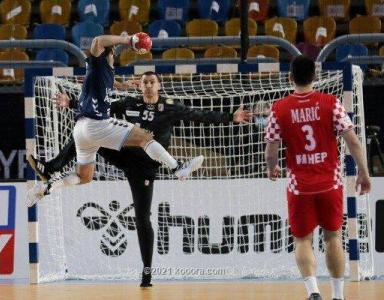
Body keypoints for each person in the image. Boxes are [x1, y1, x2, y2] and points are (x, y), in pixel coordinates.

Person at [28, 70, 252, 287]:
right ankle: (51, 167)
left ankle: (147, 271)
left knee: (142, 217)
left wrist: (231, 117)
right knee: (87, 130)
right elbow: (101, 109)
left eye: (151, 82)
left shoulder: (170, 107)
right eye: (144, 82)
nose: (147, 86)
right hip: (123, 154)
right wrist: (72, 103)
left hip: (145, 167)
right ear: (140, 85)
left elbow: (199, 116)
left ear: (158, 86)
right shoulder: (129, 103)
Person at [28, 33, 205, 206]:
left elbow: (105, 86)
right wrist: (129, 40)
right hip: (97, 124)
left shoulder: (105, 74)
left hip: (81, 130)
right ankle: (178, 168)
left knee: (84, 177)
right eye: (113, 53)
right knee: (144, 138)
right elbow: (98, 40)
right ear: (108, 55)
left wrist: (122, 85)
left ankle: (48, 187)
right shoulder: (99, 64)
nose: (115, 56)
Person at [264, 55, 371, 300]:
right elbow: (353, 141)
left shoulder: (279, 108)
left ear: (290, 77)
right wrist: (363, 173)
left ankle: (313, 291)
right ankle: (338, 295)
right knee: (333, 236)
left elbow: (271, 148)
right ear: (315, 77)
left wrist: (272, 167)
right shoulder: (331, 103)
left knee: (302, 239)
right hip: (330, 184)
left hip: (300, 186)